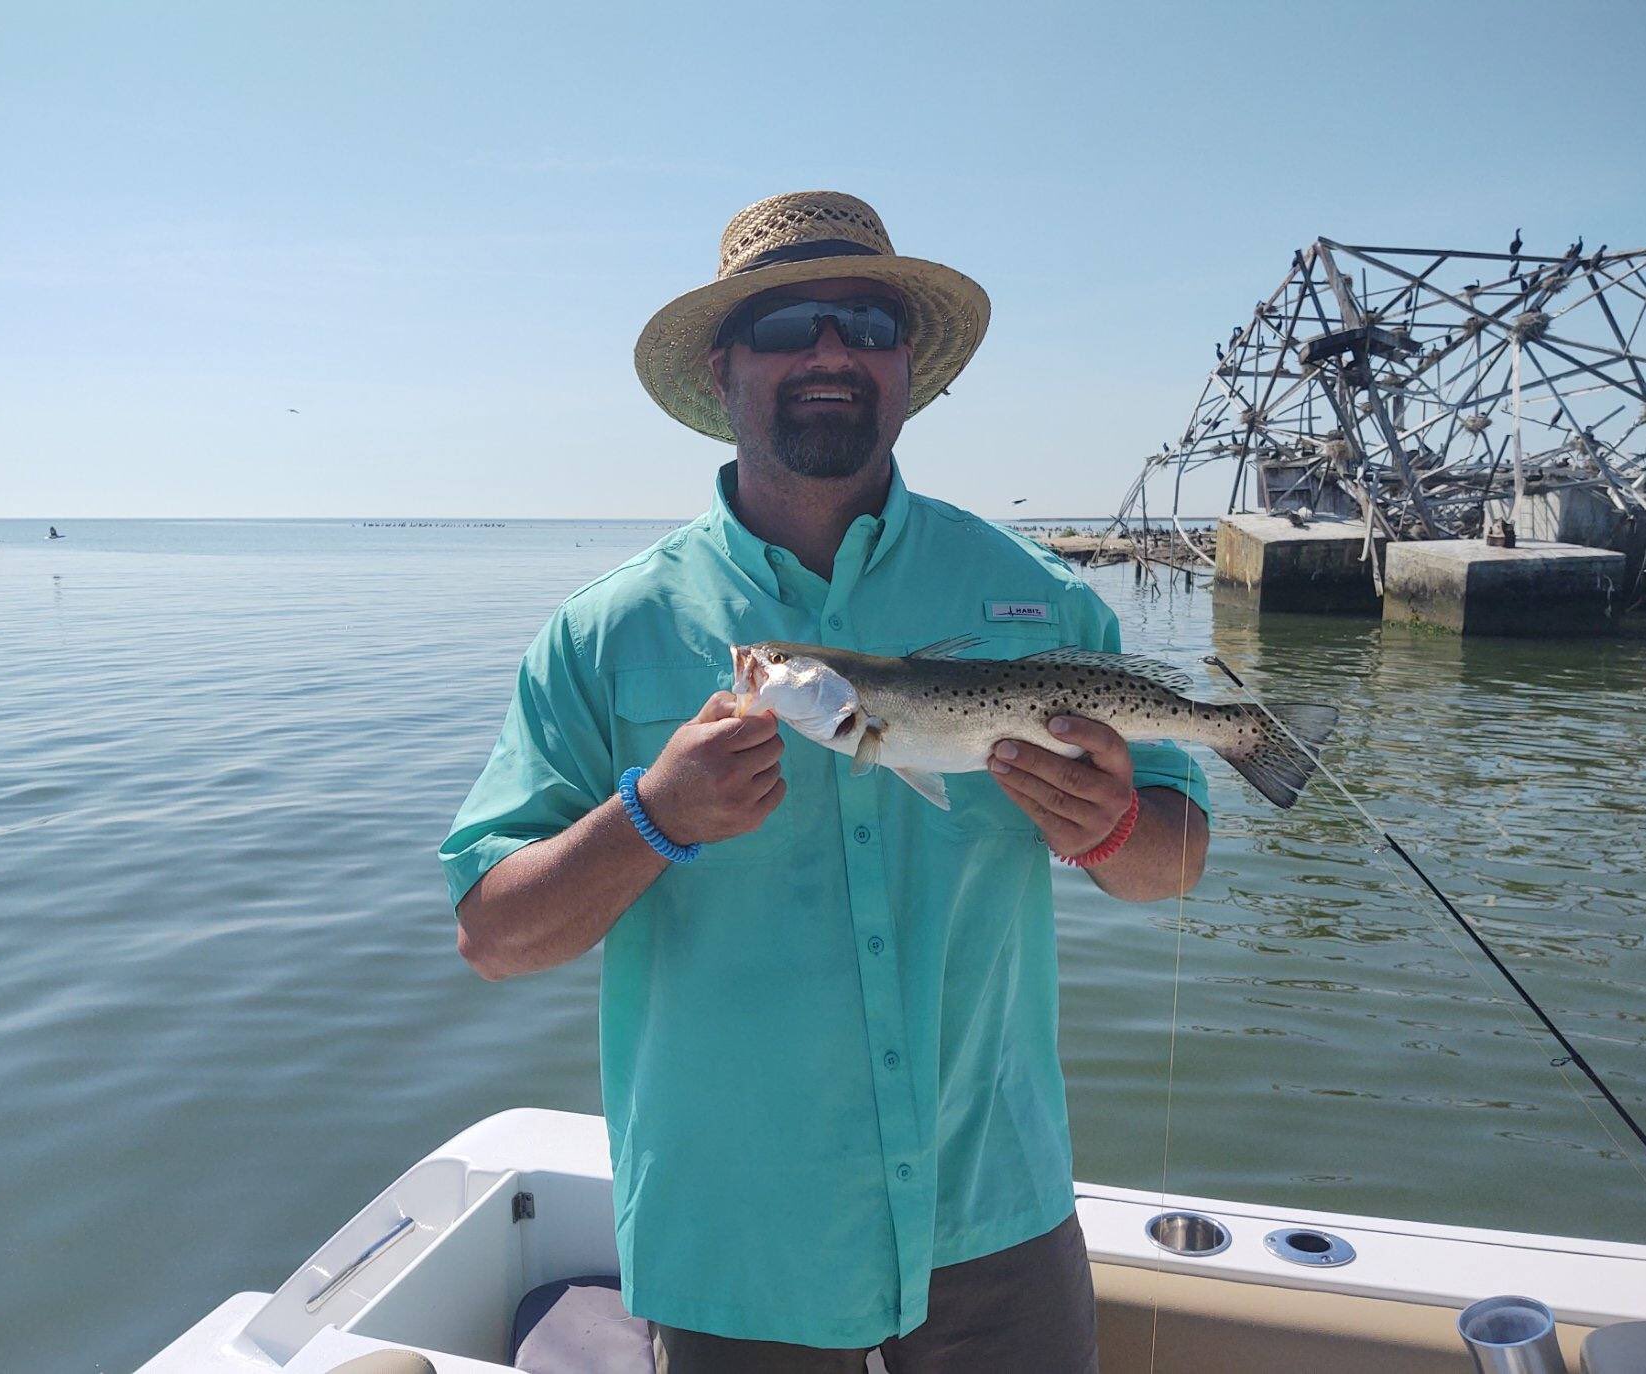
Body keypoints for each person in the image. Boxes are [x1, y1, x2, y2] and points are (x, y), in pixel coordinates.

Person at [441, 191, 1210, 1373]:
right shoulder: (602, 633)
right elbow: (493, 936)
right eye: (788, 322)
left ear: (908, 366)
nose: (831, 351)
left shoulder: (1041, 599)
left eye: (866, 321)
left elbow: (1172, 866)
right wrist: (651, 820)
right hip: (735, 1240)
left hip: (993, 1214)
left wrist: (1109, 829)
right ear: (723, 367)